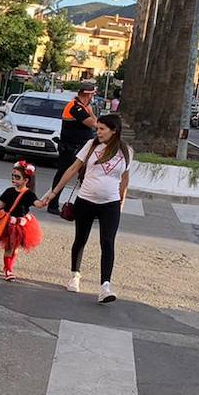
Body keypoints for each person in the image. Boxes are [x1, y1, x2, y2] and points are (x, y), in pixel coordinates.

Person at [39, 114, 132, 303]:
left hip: (110, 204)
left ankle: (105, 286)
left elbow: (124, 178)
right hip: (86, 200)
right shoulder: (91, 146)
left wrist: (122, 201)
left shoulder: (126, 151)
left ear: (114, 130)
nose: (98, 132)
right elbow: (73, 169)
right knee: (81, 239)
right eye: (97, 128)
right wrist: (54, 193)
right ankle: (75, 275)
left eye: (102, 129)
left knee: (107, 242)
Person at [48, 81, 98, 214]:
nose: (93, 97)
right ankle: (53, 205)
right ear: (88, 95)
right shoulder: (76, 107)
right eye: (92, 94)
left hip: (80, 148)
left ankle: (88, 208)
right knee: (63, 175)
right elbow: (94, 124)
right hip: (71, 148)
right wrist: (92, 113)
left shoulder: (83, 107)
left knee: (87, 177)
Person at [0, 160, 43, 282]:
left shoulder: (29, 194)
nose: (14, 179)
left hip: (21, 225)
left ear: (26, 180)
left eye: (17, 177)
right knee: (9, 247)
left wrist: (46, 200)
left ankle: (9, 266)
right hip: (8, 223)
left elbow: (37, 204)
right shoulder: (9, 191)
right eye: (13, 176)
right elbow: (2, 205)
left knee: (16, 247)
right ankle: (8, 269)